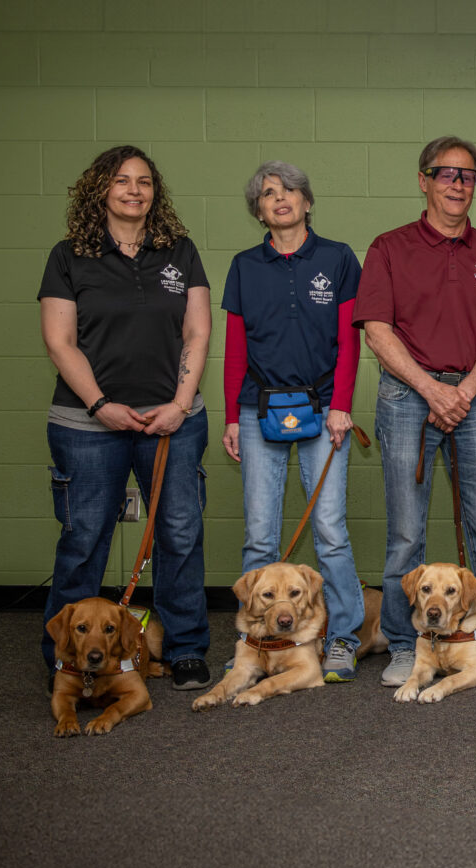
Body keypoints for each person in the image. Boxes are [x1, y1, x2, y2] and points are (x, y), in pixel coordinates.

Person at [356, 136, 476, 687]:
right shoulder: (389, 247)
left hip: (473, 397)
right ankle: (406, 644)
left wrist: (465, 391)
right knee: (406, 534)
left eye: (469, 175)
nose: (459, 184)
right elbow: (378, 333)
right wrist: (433, 390)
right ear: (424, 179)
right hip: (408, 396)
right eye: (447, 174)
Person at [38, 145, 213, 688]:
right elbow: (60, 342)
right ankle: (67, 659)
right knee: (84, 536)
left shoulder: (178, 251)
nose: (134, 190)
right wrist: (100, 405)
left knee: (180, 533)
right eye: (122, 181)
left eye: (144, 181)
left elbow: (198, 330)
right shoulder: (68, 256)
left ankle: (184, 648)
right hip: (86, 426)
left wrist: (181, 405)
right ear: (101, 190)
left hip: (173, 421)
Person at [220, 161, 368, 680]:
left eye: (289, 191)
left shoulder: (339, 258)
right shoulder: (244, 265)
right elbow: (235, 347)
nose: (279, 198)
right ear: (258, 211)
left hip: (326, 406)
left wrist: (343, 405)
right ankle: (253, 639)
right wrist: (231, 417)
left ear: (307, 202)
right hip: (258, 407)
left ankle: (344, 638)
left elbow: (351, 341)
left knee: (329, 530)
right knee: (260, 536)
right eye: (267, 194)